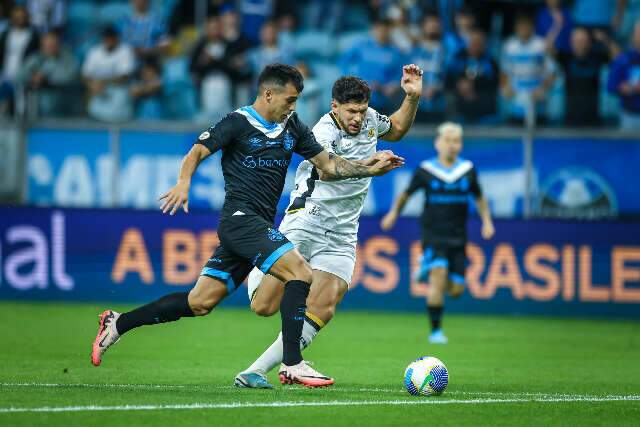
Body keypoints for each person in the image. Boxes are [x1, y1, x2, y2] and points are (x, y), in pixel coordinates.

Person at [91, 63, 404, 388]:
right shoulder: (237, 122)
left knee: (200, 302)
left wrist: (367, 167)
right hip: (240, 220)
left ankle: (118, 322)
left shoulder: (292, 126)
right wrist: (183, 182)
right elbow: (197, 151)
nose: (293, 107)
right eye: (290, 100)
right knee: (300, 273)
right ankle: (293, 363)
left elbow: (328, 165)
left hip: (256, 227)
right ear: (268, 94)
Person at [234, 65, 424, 389]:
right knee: (263, 306)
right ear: (335, 106)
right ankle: (254, 265)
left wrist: (412, 97)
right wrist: (370, 167)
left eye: (362, 110)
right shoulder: (323, 131)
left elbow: (396, 129)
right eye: (351, 111)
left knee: (327, 302)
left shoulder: (369, 121)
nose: (358, 118)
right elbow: (328, 171)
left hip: (343, 232)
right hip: (307, 219)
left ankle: (259, 370)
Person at [381, 122, 494, 344]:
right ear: (438, 143)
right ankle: (436, 332)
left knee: (456, 290)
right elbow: (406, 194)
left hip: (459, 236)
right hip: (433, 233)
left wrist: (487, 222)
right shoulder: (426, 170)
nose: (452, 145)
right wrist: (393, 214)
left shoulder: (467, 170)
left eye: (457, 141)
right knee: (438, 276)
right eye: (448, 141)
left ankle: (425, 267)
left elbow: (479, 197)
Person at [552, 27, 619, 126]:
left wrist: (605, 39)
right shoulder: (566, 57)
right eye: (576, 41)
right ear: (571, 42)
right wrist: (556, 28)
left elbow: (619, 56)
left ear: (589, 42)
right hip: (571, 117)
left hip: (593, 117)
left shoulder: (597, 57)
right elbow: (547, 49)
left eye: (582, 40)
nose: (579, 44)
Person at [500, 13, 556, 125]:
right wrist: (505, 87)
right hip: (516, 101)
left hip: (537, 101)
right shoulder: (509, 46)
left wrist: (543, 89)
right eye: (521, 26)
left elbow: (552, 72)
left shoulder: (541, 45)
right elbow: (504, 72)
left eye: (527, 26)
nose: (523, 29)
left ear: (532, 27)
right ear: (516, 28)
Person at [339, 18, 404, 111]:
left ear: (390, 31)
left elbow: (398, 75)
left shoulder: (395, 52)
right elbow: (343, 63)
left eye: (385, 30)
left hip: (383, 101)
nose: (381, 33)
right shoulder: (361, 46)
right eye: (379, 29)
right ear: (373, 30)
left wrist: (393, 86)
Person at [17, 29, 77, 117]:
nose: (50, 47)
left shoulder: (68, 58)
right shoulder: (35, 58)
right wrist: (32, 78)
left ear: (59, 45)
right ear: (42, 45)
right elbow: (19, 76)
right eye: (47, 45)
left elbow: (69, 77)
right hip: (36, 105)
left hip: (62, 104)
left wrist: (45, 78)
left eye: (53, 44)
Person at [82, 26, 136, 122]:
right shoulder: (94, 52)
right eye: (106, 37)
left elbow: (125, 76)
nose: (108, 40)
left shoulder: (125, 51)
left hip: (119, 95)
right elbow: (85, 75)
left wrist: (103, 82)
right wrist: (92, 85)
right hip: (98, 94)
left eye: (111, 37)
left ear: (117, 38)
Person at [446, 27, 499, 124]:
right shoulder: (458, 58)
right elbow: (448, 81)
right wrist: (459, 85)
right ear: (468, 43)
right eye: (473, 42)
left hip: (482, 103)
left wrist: (474, 87)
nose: (476, 46)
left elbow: (494, 84)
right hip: (460, 105)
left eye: (479, 43)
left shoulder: (490, 61)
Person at [0, 5, 39, 115]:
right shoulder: (6, 34)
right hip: (5, 71)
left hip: (23, 72)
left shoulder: (33, 35)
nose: (19, 20)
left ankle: (20, 121)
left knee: (20, 102)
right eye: (16, 17)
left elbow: (36, 57)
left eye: (22, 17)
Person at [409, 13, 445, 123]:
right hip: (415, 103)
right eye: (430, 24)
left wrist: (436, 87)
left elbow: (448, 74)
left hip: (439, 103)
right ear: (423, 27)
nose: (433, 27)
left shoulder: (446, 50)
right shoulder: (415, 50)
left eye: (436, 24)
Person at [608, 21, 640, 130]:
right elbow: (611, 86)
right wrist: (622, 88)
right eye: (638, 33)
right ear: (633, 36)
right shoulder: (622, 59)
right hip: (629, 115)